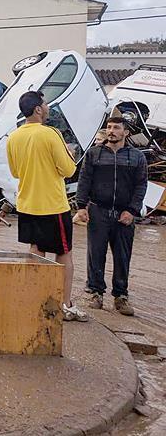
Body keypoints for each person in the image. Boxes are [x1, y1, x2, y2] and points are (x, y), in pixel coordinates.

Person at [6, 91, 88, 322]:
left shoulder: (13, 137)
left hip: (27, 204)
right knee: (63, 253)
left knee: (36, 250)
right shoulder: (51, 134)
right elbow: (69, 171)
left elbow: (14, 172)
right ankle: (65, 304)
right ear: (38, 109)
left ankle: (35, 300)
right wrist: (69, 155)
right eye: (45, 103)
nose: (48, 106)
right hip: (52, 205)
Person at [75, 117, 147, 316]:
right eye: (109, 127)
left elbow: (141, 185)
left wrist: (132, 210)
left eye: (116, 127)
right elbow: (84, 180)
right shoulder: (94, 154)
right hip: (98, 211)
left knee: (123, 256)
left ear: (126, 132)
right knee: (95, 253)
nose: (111, 131)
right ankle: (96, 293)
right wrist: (81, 206)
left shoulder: (136, 157)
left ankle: (120, 297)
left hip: (124, 214)